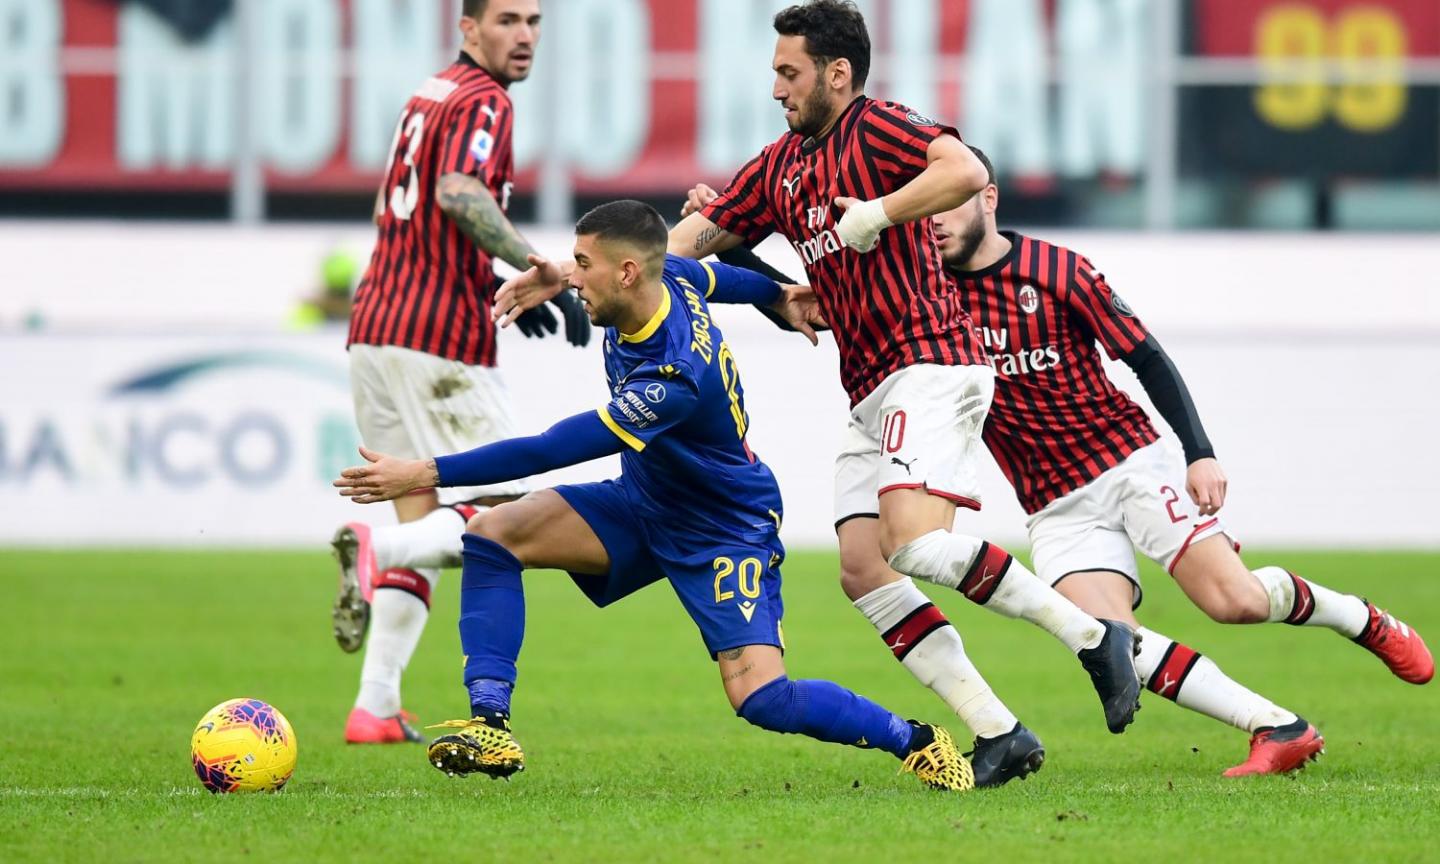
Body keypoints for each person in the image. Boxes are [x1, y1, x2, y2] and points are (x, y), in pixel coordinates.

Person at [502, 0, 1140, 788]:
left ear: (838, 73)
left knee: (912, 542)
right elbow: (672, 252)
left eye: (788, 72)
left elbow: (964, 171)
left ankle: (1091, 637)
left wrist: (879, 210)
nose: (777, 88)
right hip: (872, 383)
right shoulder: (780, 166)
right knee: (864, 568)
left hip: (933, 361)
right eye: (775, 72)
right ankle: (998, 731)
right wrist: (568, 273)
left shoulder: (879, 130)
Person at [332, 200, 974, 791]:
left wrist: (425, 473)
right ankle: (491, 727)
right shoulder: (675, 279)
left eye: (583, 266)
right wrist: (780, 294)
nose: (574, 279)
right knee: (491, 537)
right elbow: (723, 278)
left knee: (763, 700)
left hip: (724, 525)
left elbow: (554, 447)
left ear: (629, 272)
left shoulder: (674, 377)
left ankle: (915, 740)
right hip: (644, 501)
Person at [929, 145, 1431, 774]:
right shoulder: (926, 295)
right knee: (1109, 640)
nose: (936, 219)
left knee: (1236, 602)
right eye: (927, 207)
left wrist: (1200, 455)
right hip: (1054, 504)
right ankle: (1278, 727)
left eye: (950, 201)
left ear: (989, 198)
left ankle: (1360, 618)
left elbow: (1147, 358)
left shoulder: (1057, 270)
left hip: (1130, 461)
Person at [336, 0, 589, 745]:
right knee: (512, 517)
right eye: (507, 19)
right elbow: (456, 193)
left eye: (535, 22)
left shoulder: (431, 92)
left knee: (430, 523)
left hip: (375, 330)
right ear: (467, 26)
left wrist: (487, 282)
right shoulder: (485, 101)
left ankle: (375, 704)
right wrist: (536, 267)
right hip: (437, 341)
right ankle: (373, 550)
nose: (524, 36)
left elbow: (421, 219)